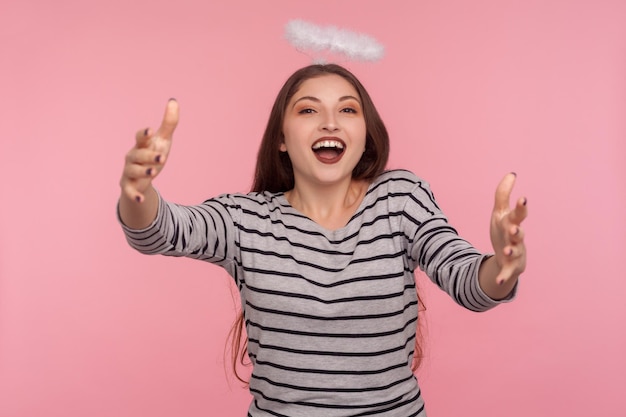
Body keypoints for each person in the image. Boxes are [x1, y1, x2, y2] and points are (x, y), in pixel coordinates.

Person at [118, 64, 527, 417]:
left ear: (366, 134)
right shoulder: (245, 219)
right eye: (309, 109)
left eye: (347, 109)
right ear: (281, 138)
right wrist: (137, 191)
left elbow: (469, 280)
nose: (330, 122)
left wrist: (501, 267)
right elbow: (162, 230)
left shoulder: (400, 199)